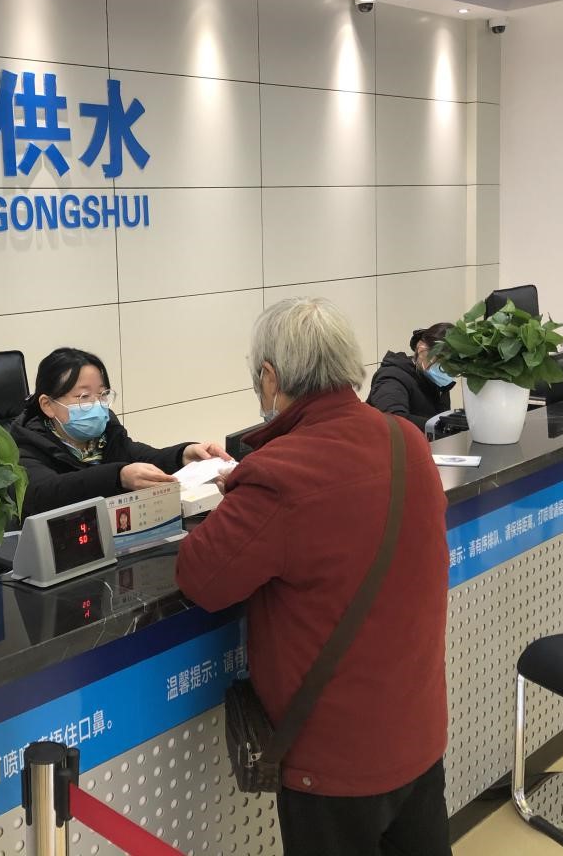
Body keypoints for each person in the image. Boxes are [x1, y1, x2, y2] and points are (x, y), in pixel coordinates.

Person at [176, 298, 451, 856]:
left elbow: (200, 578)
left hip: (334, 759)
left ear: (270, 377)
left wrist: (239, 496)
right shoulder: (406, 440)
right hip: (416, 730)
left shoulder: (280, 472)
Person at [11, 348, 231, 519]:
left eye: (102, 394)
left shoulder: (106, 435)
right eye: (84, 397)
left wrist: (183, 455)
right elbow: (46, 493)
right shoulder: (24, 447)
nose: (97, 404)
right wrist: (118, 477)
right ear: (47, 405)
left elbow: (143, 457)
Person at [366, 322, 456, 431]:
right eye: (442, 364)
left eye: (454, 368)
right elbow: (394, 420)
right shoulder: (392, 377)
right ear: (421, 350)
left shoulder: (438, 382)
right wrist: (444, 427)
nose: (448, 372)